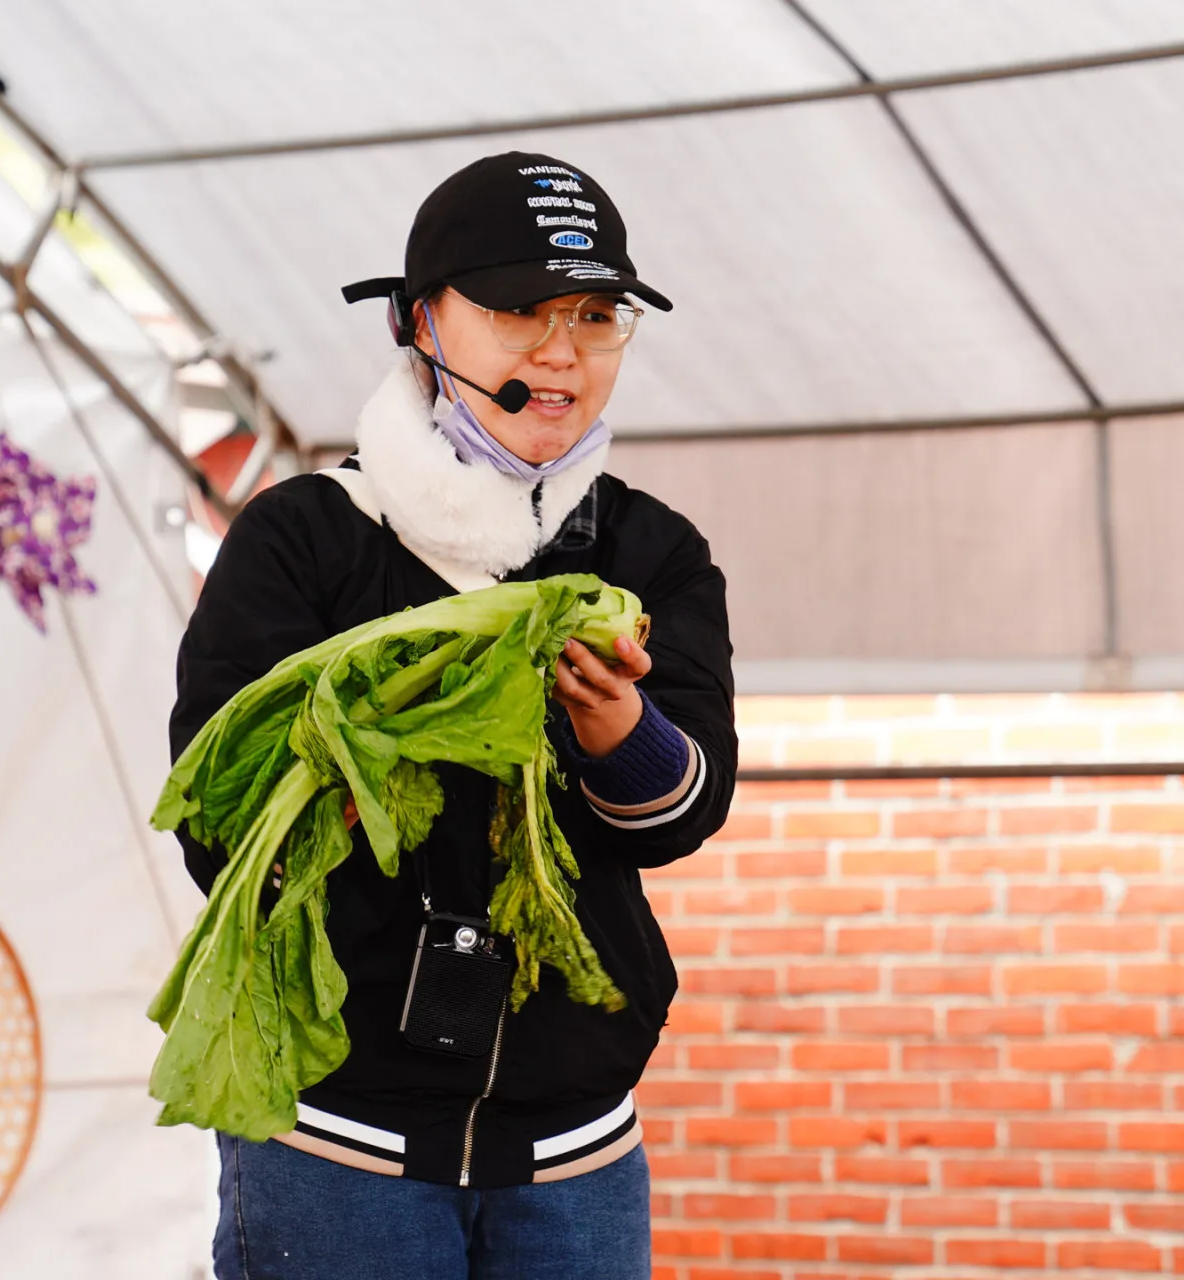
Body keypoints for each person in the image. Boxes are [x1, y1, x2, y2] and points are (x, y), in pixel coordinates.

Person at [168, 150, 736, 1280]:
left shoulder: (646, 551)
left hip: (576, 1157)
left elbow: (686, 806)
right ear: (420, 320)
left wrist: (620, 732)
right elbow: (216, 819)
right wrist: (388, 729)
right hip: (334, 1147)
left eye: (594, 314)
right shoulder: (305, 538)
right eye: (520, 310)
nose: (562, 350)